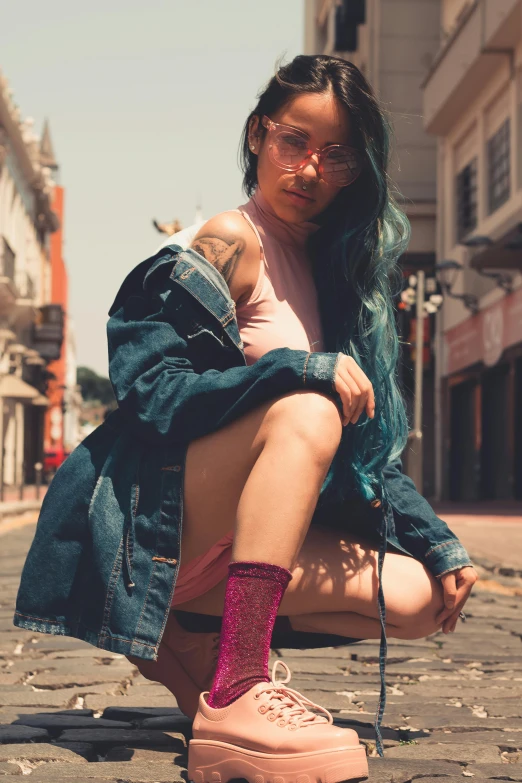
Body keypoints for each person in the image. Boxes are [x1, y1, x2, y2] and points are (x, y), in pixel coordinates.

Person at [14, 55, 477, 783]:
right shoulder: (230, 243)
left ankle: (194, 630)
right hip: (163, 520)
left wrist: (440, 542)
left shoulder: (330, 273)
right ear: (259, 135)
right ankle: (238, 684)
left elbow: (363, 461)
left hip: (233, 540)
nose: (310, 169)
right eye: (294, 142)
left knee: (421, 597)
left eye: (337, 155)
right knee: (307, 407)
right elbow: (153, 392)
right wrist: (297, 370)